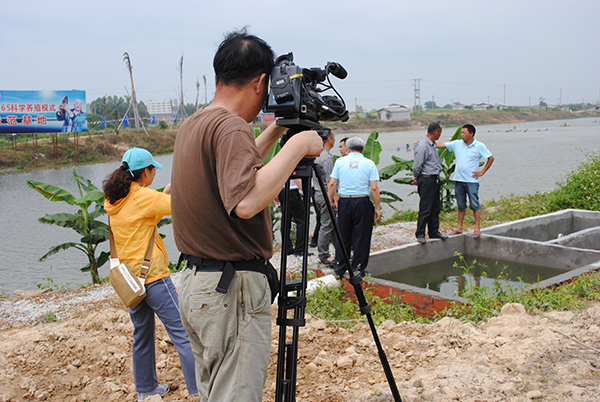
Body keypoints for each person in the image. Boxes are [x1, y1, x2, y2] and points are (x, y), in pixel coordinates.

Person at [170, 29, 323, 402]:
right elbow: (247, 200)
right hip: (229, 289)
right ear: (260, 82)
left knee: (215, 392)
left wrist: (277, 129)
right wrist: (301, 143)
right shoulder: (231, 127)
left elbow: (234, 170)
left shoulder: (196, 123)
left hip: (197, 284)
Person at [103, 147, 198, 402]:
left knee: (142, 334)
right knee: (183, 332)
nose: (154, 173)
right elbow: (179, 205)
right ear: (145, 172)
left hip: (131, 282)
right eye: (152, 169)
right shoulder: (143, 198)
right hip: (154, 277)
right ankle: (199, 389)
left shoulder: (114, 200)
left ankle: (146, 390)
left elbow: (144, 213)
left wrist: (162, 193)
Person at [328, 136, 381, 278]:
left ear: (348, 149)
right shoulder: (369, 163)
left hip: (345, 202)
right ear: (363, 150)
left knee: (343, 235)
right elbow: (374, 188)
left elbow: (332, 184)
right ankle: (357, 270)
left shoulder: (340, 161)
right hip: (362, 202)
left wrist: (330, 201)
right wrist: (377, 207)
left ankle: (339, 269)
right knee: (362, 237)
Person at [437, 123, 495, 238]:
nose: (462, 134)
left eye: (464, 132)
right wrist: (426, 143)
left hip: (472, 181)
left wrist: (482, 172)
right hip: (458, 180)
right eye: (461, 133)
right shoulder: (457, 144)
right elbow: (441, 145)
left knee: (474, 204)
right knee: (461, 205)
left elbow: (490, 158)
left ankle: (477, 228)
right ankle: (459, 228)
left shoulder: (479, 146)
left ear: (471, 133)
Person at [412, 122, 448, 244]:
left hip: (434, 179)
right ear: (436, 132)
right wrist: (418, 178)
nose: (440, 135)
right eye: (440, 133)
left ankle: (434, 231)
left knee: (435, 207)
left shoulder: (432, 144)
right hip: (426, 179)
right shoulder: (423, 146)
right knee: (425, 208)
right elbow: (417, 165)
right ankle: (420, 233)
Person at [313, 129, 337, 266]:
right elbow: (330, 182)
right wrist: (333, 199)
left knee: (333, 224)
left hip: (318, 193)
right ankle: (323, 255)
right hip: (326, 194)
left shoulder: (316, 154)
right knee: (327, 224)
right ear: (329, 139)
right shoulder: (327, 157)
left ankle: (340, 250)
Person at [277, 178, 310, 256]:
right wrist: (305, 192)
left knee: (285, 219)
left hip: (282, 190)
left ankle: (287, 248)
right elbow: (296, 177)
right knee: (302, 220)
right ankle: (300, 249)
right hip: (292, 191)